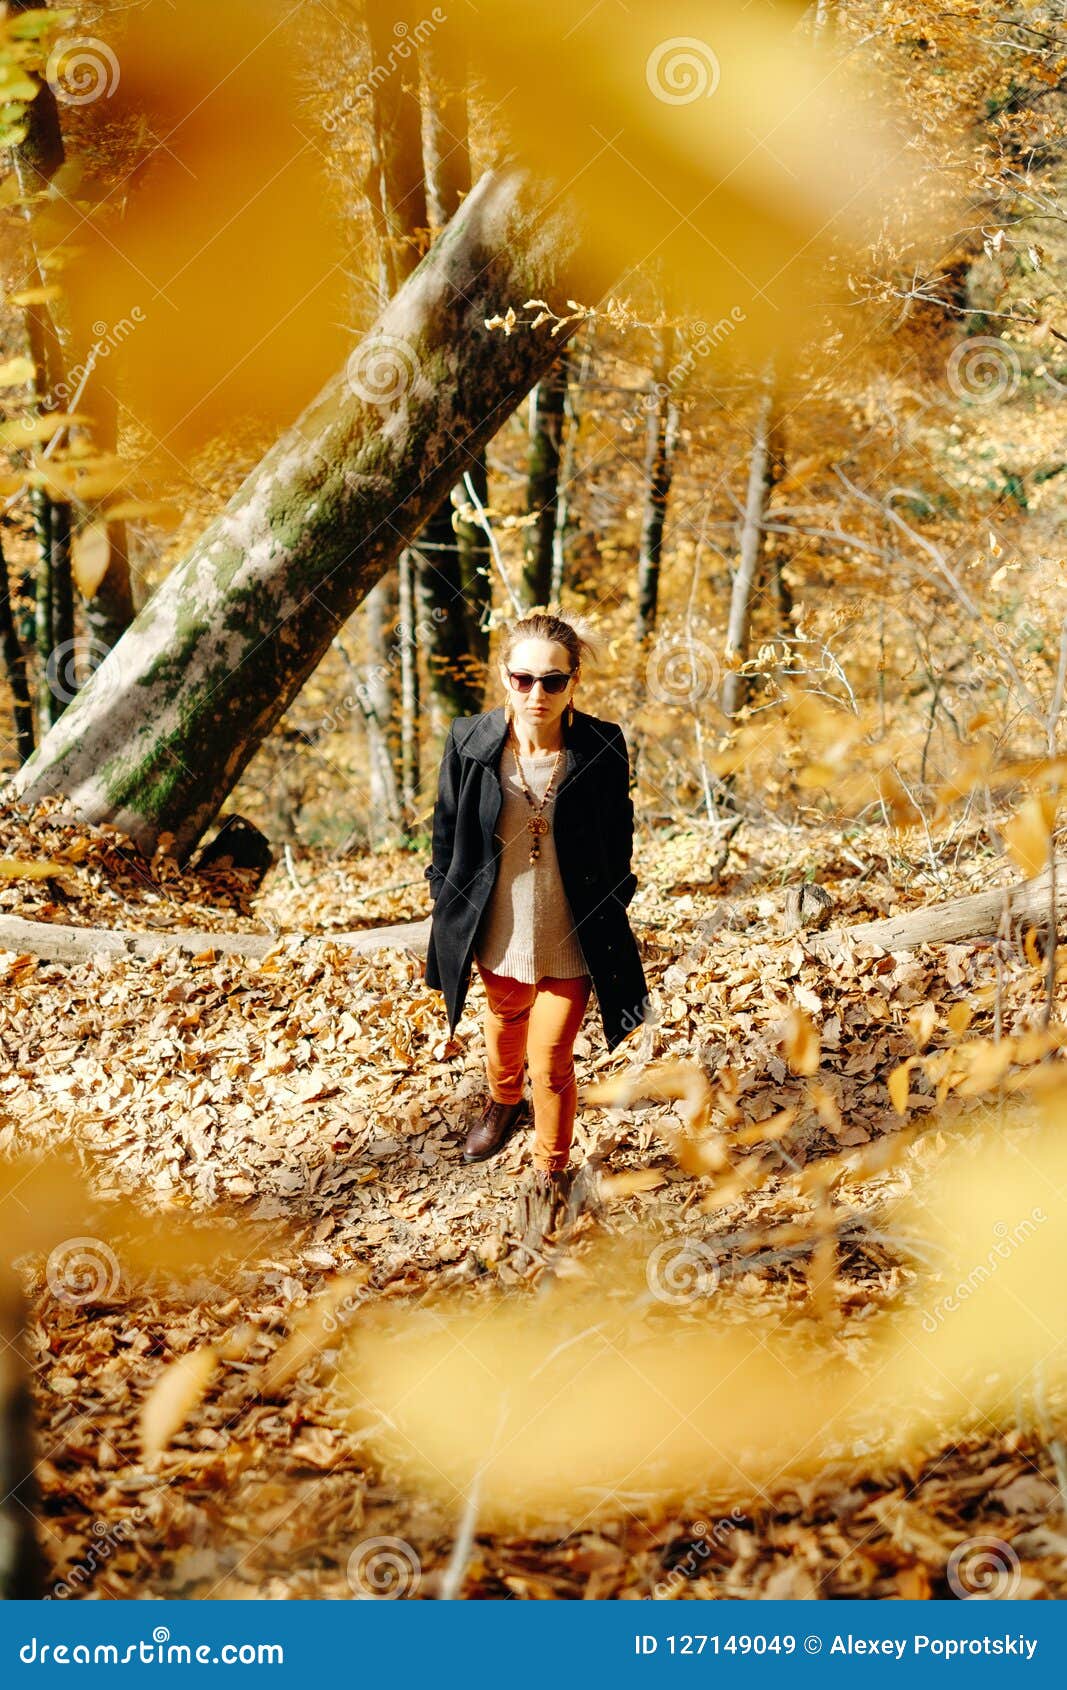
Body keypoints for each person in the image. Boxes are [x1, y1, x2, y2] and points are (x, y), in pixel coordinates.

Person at [423, 611, 650, 1245]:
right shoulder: (469, 741)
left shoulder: (602, 746)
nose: (536, 695)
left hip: (573, 926)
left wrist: (616, 896)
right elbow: (446, 829)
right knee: (503, 1019)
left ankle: (551, 1173)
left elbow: (619, 831)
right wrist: (444, 893)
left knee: (551, 1060)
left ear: (574, 682)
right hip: (495, 922)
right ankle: (502, 1100)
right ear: (504, 677)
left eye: (552, 681)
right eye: (523, 679)